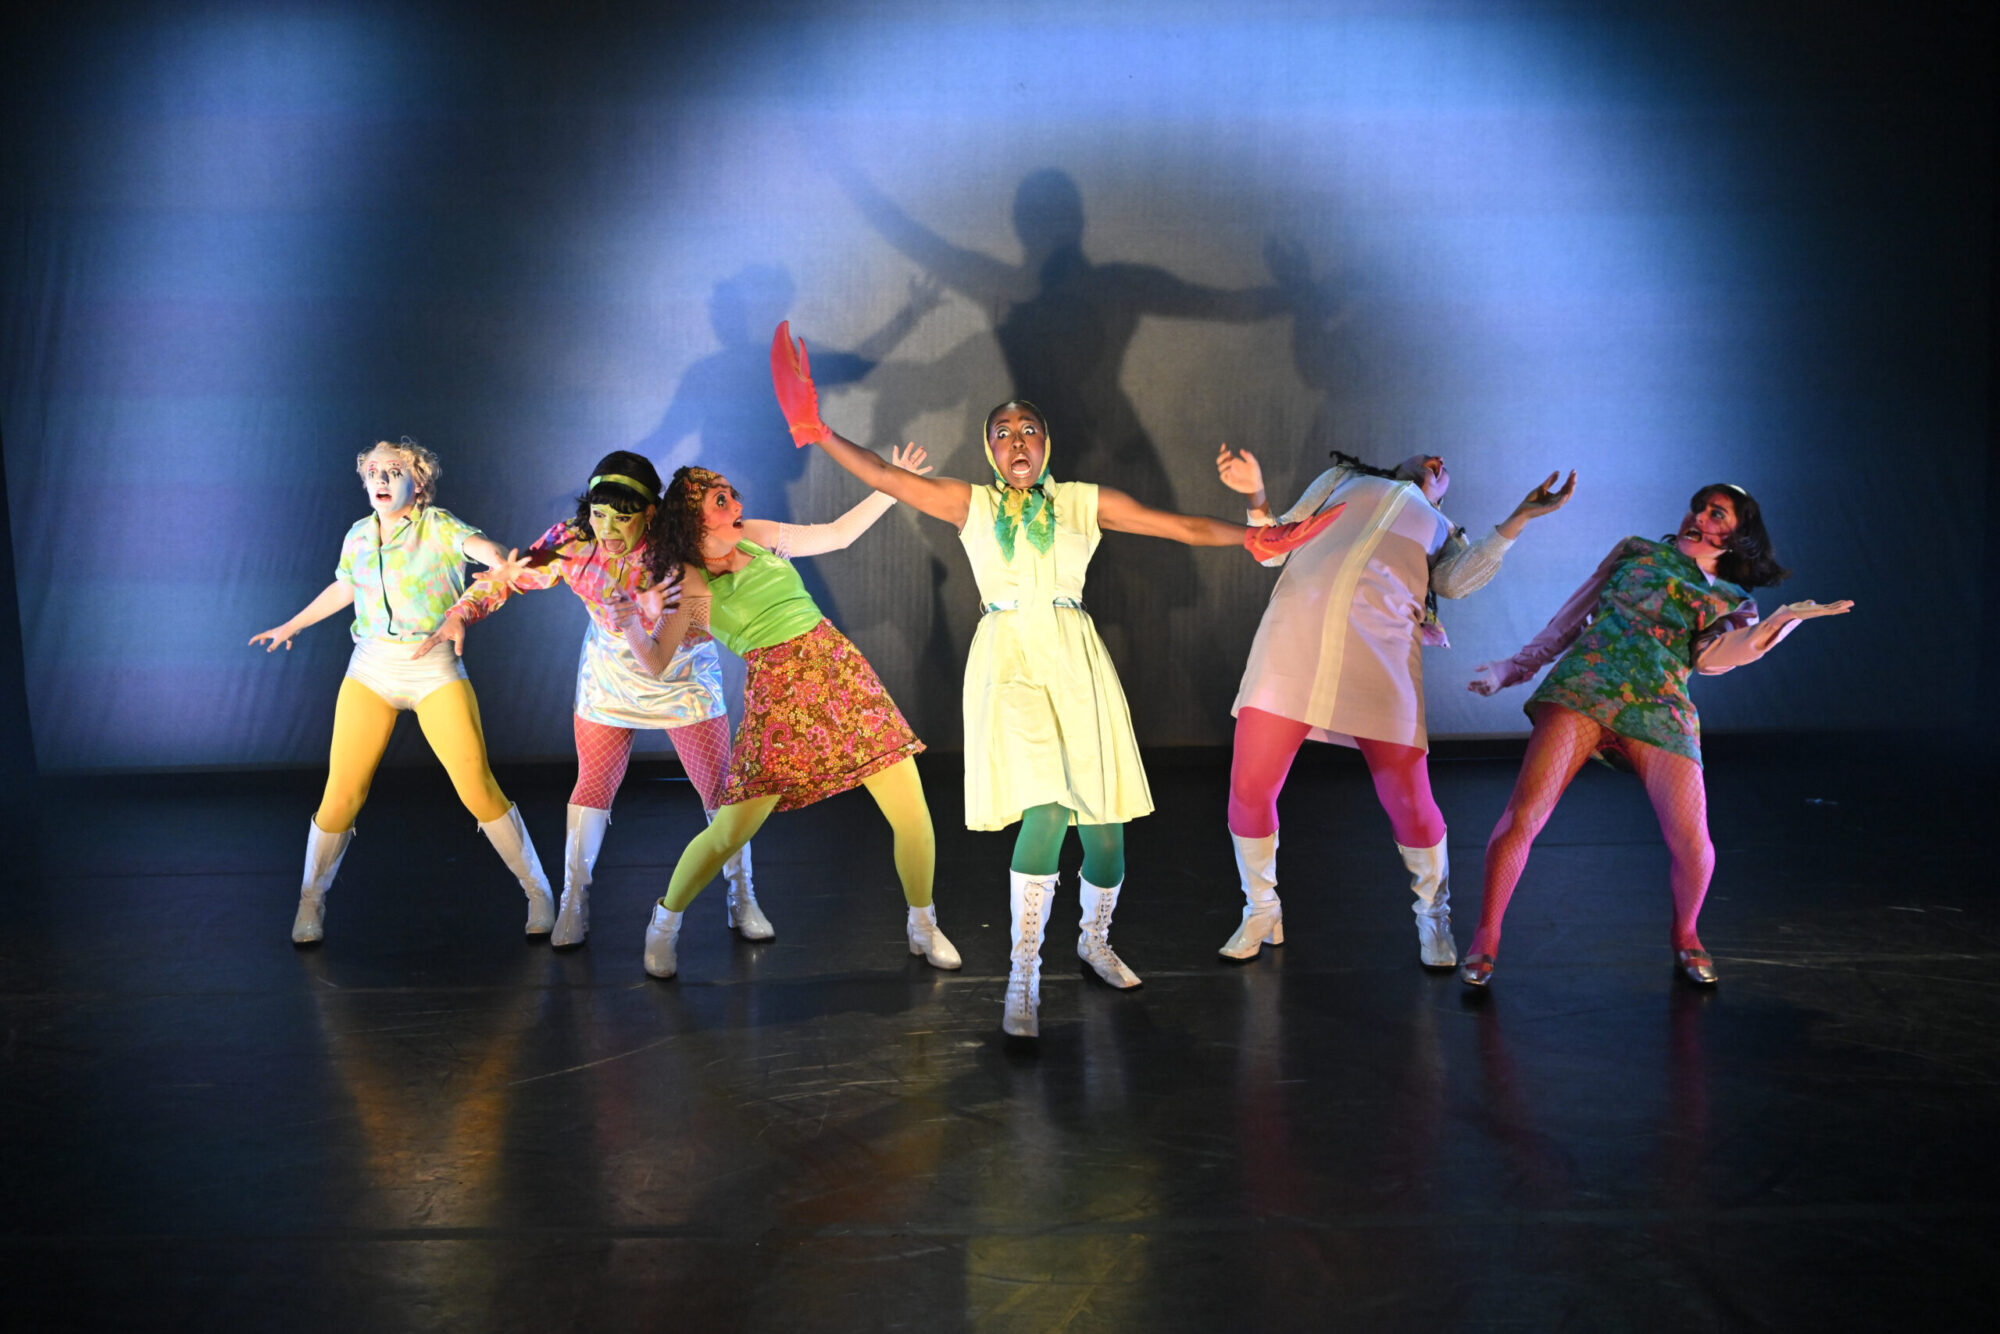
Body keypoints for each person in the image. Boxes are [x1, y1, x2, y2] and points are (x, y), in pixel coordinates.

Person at [773, 321, 1343, 1039]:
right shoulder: (969, 503)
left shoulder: (1080, 501)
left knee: (1105, 834)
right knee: (1046, 810)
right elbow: (887, 477)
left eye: (1029, 429)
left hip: (1076, 658)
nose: (1017, 439)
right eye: (1003, 431)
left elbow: (1180, 529)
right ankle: (1023, 974)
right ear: (989, 449)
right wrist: (817, 430)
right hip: (1008, 657)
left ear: (1046, 445)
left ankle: (1093, 938)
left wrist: (1253, 534)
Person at [1459, 483, 1853, 987]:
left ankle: (1686, 934)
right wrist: (1513, 668)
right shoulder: (1635, 551)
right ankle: (1485, 937)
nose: (1701, 518)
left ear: (1737, 535)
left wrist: (1779, 624)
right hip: (1587, 686)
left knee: (1694, 843)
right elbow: (1572, 618)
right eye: (1699, 507)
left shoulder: (1732, 599)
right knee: (1526, 815)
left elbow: (1711, 661)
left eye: (1718, 514)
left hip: (1661, 707)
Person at [415, 450, 808, 948]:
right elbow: (512, 575)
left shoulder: (680, 547)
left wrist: (654, 614)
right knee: (593, 783)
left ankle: (743, 895)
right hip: (611, 677)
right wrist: (463, 612)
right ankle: (573, 899)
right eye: (599, 515)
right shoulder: (573, 542)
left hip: (680, 675)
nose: (607, 528)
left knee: (722, 792)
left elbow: (705, 615)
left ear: (648, 513)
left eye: (622, 518)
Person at [1215, 446, 1576, 967]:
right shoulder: (1342, 478)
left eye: (1445, 464)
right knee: (1249, 786)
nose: (1436, 460)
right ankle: (1260, 909)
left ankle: (1434, 917)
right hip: (1293, 637)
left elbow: (1456, 582)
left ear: (1443, 490)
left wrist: (1519, 517)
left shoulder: (1443, 528)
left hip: (1380, 652)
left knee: (1408, 799)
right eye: (1428, 454)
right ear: (1398, 461)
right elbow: (1273, 549)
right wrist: (1256, 492)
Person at [636, 447, 961, 982]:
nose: (735, 501)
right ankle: (664, 924)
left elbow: (836, 534)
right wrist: (633, 618)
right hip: (781, 697)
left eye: (732, 492)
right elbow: (654, 661)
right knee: (728, 833)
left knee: (913, 814)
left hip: (839, 675)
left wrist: (892, 484)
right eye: (721, 497)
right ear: (692, 514)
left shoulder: (756, 535)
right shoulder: (693, 583)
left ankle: (922, 924)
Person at [250, 439, 550, 943]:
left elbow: (482, 548)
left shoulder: (440, 525)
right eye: (373, 472)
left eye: (394, 471)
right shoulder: (358, 536)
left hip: (433, 668)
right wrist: (292, 625)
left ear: (419, 484)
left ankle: (538, 892)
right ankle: (310, 900)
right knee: (341, 792)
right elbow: (346, 588)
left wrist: (501, 563)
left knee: (476, 785)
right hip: (371, 669)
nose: (381, 480)